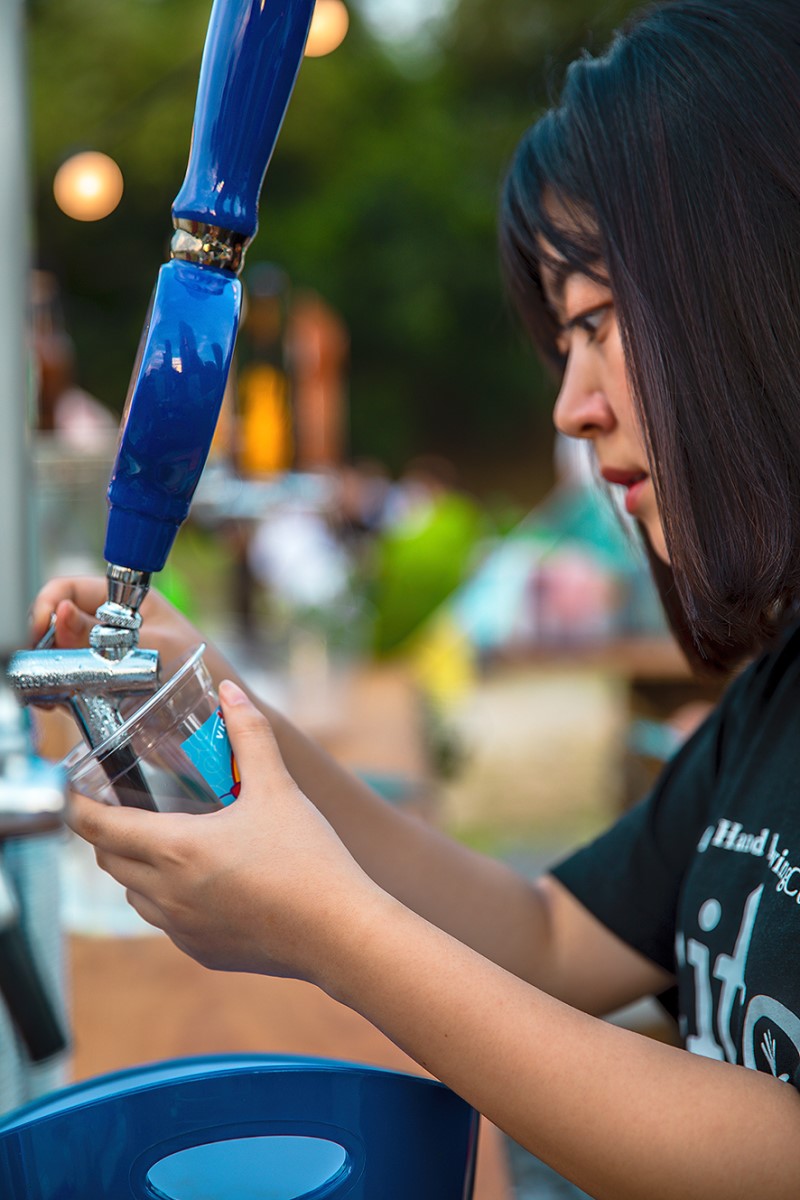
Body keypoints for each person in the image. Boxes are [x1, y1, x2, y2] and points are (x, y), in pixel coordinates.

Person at [31, 2, 800, 1195]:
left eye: (598, 322)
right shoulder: (774, 704)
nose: (570, 405)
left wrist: (330, 932)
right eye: (563, 344)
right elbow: (547, 940)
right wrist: (230, 715)